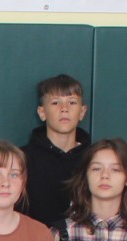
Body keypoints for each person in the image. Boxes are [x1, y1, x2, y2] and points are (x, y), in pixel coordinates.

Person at [21, 74, 91, 227]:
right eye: (55, 102)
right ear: (42, 112)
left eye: (72, 102)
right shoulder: (21, 159)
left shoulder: (95, 159)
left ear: (82, 112)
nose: (64, 109)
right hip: (34, 240)